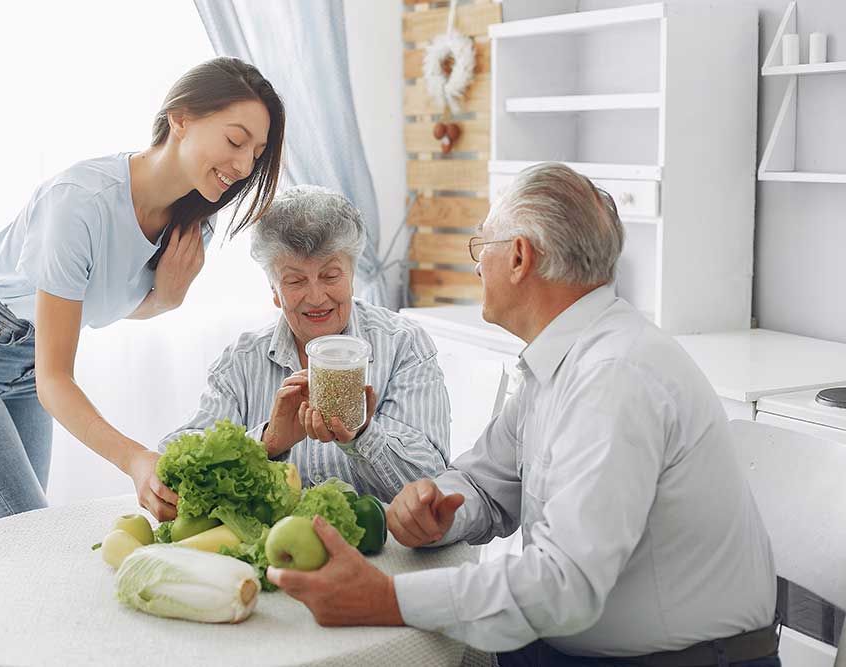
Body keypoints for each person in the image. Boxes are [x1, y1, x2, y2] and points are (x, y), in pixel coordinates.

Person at [267, 163, 779, 667]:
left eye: (480, 246)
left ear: (517, 257)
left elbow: (565, 584)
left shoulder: (614, 375)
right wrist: (438, 508)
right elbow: (486, 484)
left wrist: (388, 598)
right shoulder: (560, 362)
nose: (475, 266)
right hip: (570, 647)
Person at [0, 57, 285, 523]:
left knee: (2, 534)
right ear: (181, 118)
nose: (246, 165)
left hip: (27, 366)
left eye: (257, 152)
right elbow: (56, 378)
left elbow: (103, 305)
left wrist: (167, 299)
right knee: (22, 530)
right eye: (235, 140)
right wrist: (135, 459)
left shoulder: (191, 228)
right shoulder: (80, 204)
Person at [160, 185, 449, 501]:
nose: (315, 297)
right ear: (274, 290)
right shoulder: (241, 361)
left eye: (330, 276)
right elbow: (174, 463)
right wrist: (267, 442)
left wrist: (363, 436)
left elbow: (430, 484)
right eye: (295, 281)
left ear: (353, 275)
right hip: (275, 547)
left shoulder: (403, 345)